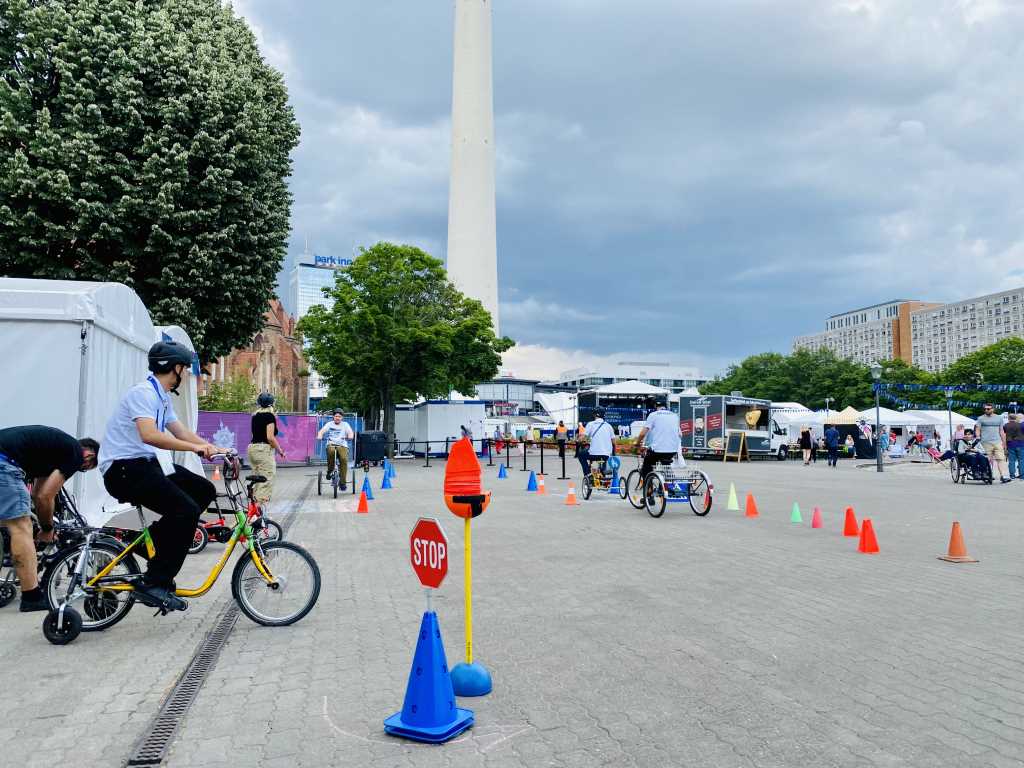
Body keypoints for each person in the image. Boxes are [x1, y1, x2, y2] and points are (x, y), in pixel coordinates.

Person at [99, 341, 219, 612]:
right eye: (185, 369)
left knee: (203, 490)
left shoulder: (162, 396)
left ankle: (149, 543)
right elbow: (150, 435)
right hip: (123, 469)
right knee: (185, 511)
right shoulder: (143, 393)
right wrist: (195, 448)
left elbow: (180, 432)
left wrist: (212, 447)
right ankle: (155, 581)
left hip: (145, 465)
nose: (186, 374)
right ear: (174, 368)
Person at [0, 427, 98, 611]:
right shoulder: (75, 453)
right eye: (85, 470)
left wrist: (46, 523)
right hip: (4, 463)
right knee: (21, 527)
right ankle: (31, 597)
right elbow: (45, 497)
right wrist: (47, 529)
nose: (80, 470)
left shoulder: (50, 451)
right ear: (89, 456)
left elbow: (38, 494)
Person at [247, 393, 285, 504]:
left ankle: (253, 509)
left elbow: (255, 435)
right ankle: (257, 515)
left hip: (253, 449)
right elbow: (270, 438)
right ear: (271, 404)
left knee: (257, 480)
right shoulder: (269, 416)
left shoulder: (255, 416)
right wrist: (280, 450)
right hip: (263, 450)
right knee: (266, 480)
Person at [633, 403, 681, 480]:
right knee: (666, 465)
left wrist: (637, 443)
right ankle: (666, 484)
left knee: (647, 465)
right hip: (673, 450)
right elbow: (679, 434)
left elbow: (643, 433)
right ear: (666, 407)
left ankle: (648, 488)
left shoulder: (653, 415)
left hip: (657, 450)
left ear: (656, 407)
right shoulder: (675, 416)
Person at [318, 410, 354, 490]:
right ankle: (330, 471)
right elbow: (321, 431)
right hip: (331, 444)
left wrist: (350, 436)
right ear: (333, 417)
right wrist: (320, 435)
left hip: (342, 445)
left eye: (339, 416)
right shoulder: (329, 424)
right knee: (331, 451)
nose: (337, 418)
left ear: (342, 418)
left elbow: (350, 433)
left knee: (344, 459)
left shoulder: (345, 425)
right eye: (336, 416)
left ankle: (342, 483)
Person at [975, 403, 1011, 483]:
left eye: (988, 409)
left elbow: (1001, 431)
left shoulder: (999, 418)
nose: (986, 410)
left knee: (1000, 459)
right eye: (985, 409)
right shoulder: (980, 418)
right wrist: (978, 436)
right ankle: (989, 474)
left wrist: (1004, 442)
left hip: (997, 441)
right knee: (988, 459)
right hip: (985, 441)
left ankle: (1003, 476)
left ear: (993, 409)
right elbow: (978, 429)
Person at [579, 409, 615, 478]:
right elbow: (614, 442)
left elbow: (583, 438)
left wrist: (579, 440)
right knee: (604, 457)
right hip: (606, 455)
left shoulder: (591, 424)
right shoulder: (609, 426)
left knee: (581, 455)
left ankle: (588, 474)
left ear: (595, 415)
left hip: (594, 454)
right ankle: (603, 472)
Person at [1004, 412, 1024, 480]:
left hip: (1010, 444)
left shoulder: (1006, 425)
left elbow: (1004, 433)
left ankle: (1012, 475)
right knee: (1021, 460)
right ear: (1016, 418)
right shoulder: (1021, 425)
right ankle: (1022, 476)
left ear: (1009, 418)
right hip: (1020, 444)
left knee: (1011, 461)